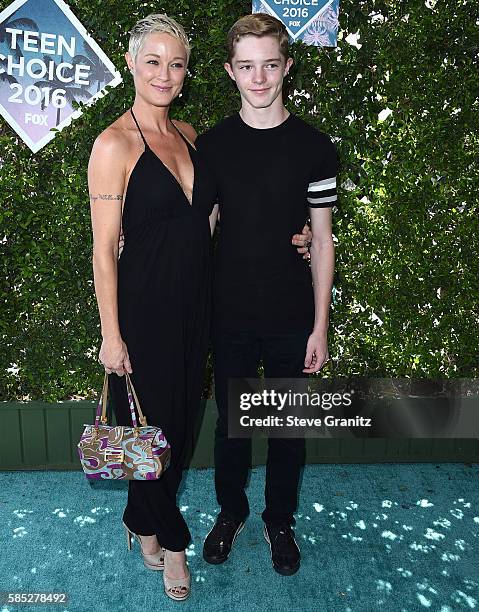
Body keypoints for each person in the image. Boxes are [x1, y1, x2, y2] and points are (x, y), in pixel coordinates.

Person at [197, 13, 338, 576]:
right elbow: (200, 231)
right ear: (231, 71)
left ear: (286, 67)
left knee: (285, 432)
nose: (259, 78)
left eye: (270, 65)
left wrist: (319, 325)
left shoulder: (313, 146)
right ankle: (230, 513)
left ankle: (280, 521)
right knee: (231, 428)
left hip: (289, 314)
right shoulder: (210, 146)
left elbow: (322, 240)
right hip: (227, 314)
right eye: (247, 66)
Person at [88, 14, 217, 602]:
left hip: (199, 307)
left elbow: (212, 222)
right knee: (153, 428)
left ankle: (140, 517)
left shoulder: (191, 133)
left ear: (185, 73)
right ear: (133, 65)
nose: (165, 74)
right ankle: (172, 543)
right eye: (153, 62)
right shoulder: (114, 144)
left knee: (176, 429)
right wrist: (111, 335)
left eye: (176, 64)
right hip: (145, 314)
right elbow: (104, 250)